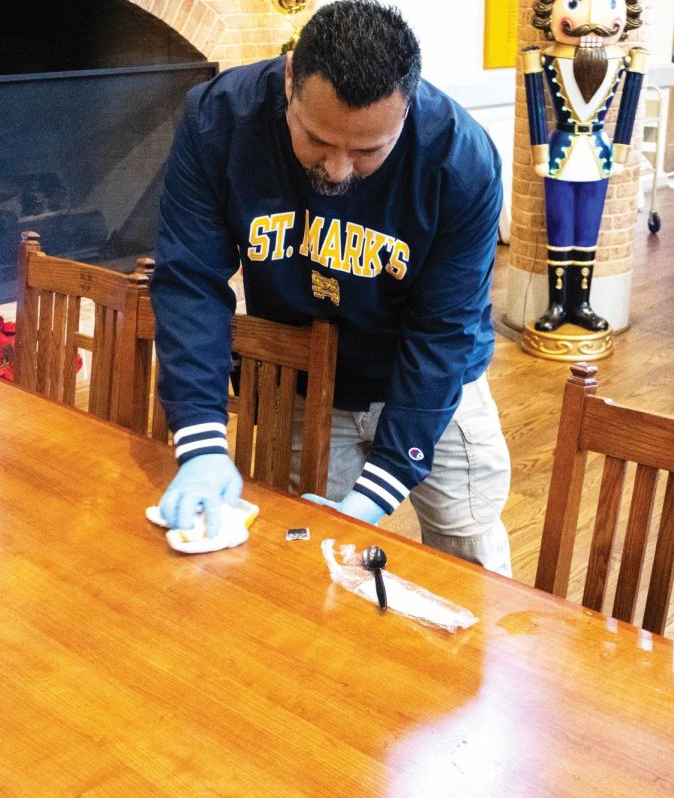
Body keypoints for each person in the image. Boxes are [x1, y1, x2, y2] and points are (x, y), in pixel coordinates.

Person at [151, 0, 513, 576]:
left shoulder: (459, 158)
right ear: (290, 78)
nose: (339, 169)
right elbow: (190, 280)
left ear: (408, 106)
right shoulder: (218, 120)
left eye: (369, 150)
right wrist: (200, 440)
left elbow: (442, 329)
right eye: (317, 139)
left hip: (435, 386)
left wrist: (383, 485)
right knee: (300, 567)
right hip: (303, 382)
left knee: (470, 557)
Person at [521, 0, 646, 334]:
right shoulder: (546, 58)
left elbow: (629, 106)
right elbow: (535, 102)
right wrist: (539, 154)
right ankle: (557, 304)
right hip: (560, 153)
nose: (592, 22)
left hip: (598, 154)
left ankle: (582, 303)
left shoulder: (624, 59)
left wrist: (619, 155)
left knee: (589, 232)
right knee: (559, 230)